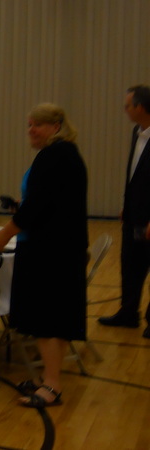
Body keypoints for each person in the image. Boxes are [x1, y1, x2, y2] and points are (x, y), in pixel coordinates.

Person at [0, 103, 88, 408]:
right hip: (61, 248)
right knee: (56, 321)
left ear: (56, 126)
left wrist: (5, 232)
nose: (32, 130)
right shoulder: (66, 154)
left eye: (39, 125)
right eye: (30, 124)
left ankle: (52, 385)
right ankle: (49, 377)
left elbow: (38, 207)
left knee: (48, 321)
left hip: (51, 250)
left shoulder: (54, 156)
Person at [99, 85, 150, 339]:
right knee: (130, 264)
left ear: (140, 107)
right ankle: (128, 313)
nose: (125, 110)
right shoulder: (136, 132)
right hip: (133, 213)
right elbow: (136, 175)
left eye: (127, 105)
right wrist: (127, 204)